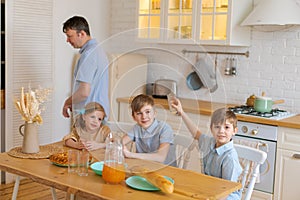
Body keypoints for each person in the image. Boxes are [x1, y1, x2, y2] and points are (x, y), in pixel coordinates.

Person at [170, 98, 242, 200]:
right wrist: (181, 112)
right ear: (211, 129)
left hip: (225, 197)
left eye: (226, 127)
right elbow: (196, 133)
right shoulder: (209, 142)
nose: (221, 131)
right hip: (209, 192)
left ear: (234, 131)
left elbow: (227, 190)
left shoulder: (230, 158)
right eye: (217, 127)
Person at [61, 16, 109, 119]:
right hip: (98, 114)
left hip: (90, 116)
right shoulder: (98, 50)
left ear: (82, 34)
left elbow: (84, 92)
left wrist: (67, 102)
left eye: (70, 36)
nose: (67, 40)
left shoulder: (88, 55)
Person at [122, 94, 176, 166]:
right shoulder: (137, 128)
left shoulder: (165, 129)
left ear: (154, 113)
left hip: (166, 171)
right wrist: (120, 146)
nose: (144, 117)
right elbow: (120, 142)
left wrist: (131, 154)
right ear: (134, 117)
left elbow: (161, 157)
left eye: (147, 112)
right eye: (139, 113)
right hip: (144, 167)